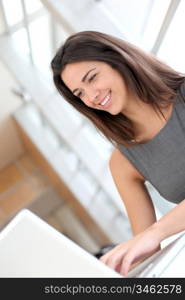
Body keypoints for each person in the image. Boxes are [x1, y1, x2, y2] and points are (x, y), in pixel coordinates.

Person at [51, 30, 185, 276]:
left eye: (92, 78)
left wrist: (156, 232)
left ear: (119, 61)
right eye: (79, 93)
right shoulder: (123, 162)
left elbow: (151, 235)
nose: (91, 97)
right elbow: (147, 248)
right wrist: (117, 270)